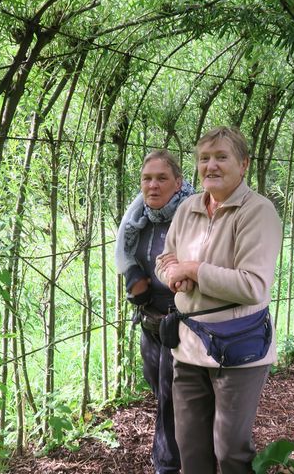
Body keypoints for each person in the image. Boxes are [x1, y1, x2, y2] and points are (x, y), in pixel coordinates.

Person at [156, 126, 282, 474]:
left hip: (239, 349)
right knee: (191, 449)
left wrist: (194, 268)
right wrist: (172, 274)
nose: (210, 166)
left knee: (230, 452)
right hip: (189, 346)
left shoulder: (257, 212)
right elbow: (166, 257)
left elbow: (252, 285)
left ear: (244, 164)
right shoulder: (188, 208)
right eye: (204, 158)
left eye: (221, 157)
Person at [115, 149, 194, 474]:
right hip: (149, 322)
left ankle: (168, 464)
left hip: (185, 325)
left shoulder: (194, 217)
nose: (153, 185)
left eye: (162, 178)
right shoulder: (140, 220)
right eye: (147, 178)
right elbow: (125, 257)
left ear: (178, 183)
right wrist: (134, 281)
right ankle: (195, 448)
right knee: (159, 390)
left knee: (170, 396)